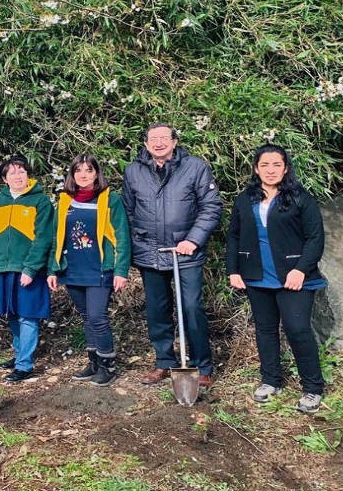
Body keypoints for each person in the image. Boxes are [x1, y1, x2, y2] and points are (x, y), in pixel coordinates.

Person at [226, 144, 327, 413]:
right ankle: (271, 381)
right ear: (256, 169)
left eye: (276, 165)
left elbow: (315, 238)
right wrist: (233, 270)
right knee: (265, 330)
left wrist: (301, 270)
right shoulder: (245, 199)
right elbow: (234, 235)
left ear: (286, 168)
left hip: (293, 276)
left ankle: (313, 388)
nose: (271, 170)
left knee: (297, 329)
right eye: (265, 165)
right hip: (257, 275)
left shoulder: (300, 198)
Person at [121, 123, 222, 387]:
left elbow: (211, 207)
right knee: (157, 310)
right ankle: (164, 362)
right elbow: (127, 212)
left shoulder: (195, 167)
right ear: (145, 144)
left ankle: (202, 366)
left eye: (164, 138)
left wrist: (193, 239)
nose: (158, 143)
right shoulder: (133, 171)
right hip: (149, 253)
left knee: (191, 307)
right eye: (152, 139)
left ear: (175, 141)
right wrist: (137, 242)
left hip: (185, 253)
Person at [47, 154, 131, 386]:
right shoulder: (65, 200)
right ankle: (93, 362)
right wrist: (53, 270)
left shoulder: (109, 199)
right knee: (86, 317)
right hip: (73, 269)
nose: (83, 175)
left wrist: (121, 270)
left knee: (97, 316)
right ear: (72, 175)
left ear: (97, 173)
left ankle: (108, 366)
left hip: (100, 269)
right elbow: (57, 237)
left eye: (89, 170)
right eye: (79, 171)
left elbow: (122, 236)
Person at [0, 156, 55, 382]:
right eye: (12, 173)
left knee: (27, 316)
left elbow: (44, 239)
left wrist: (31, 269)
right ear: (4, 179)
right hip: (1, 268)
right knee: (11, 313)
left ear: (28, 175)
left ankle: (25, 365)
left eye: (21, 171)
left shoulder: (40, 202)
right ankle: (19, 353)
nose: (17, 176)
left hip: (28, 269)